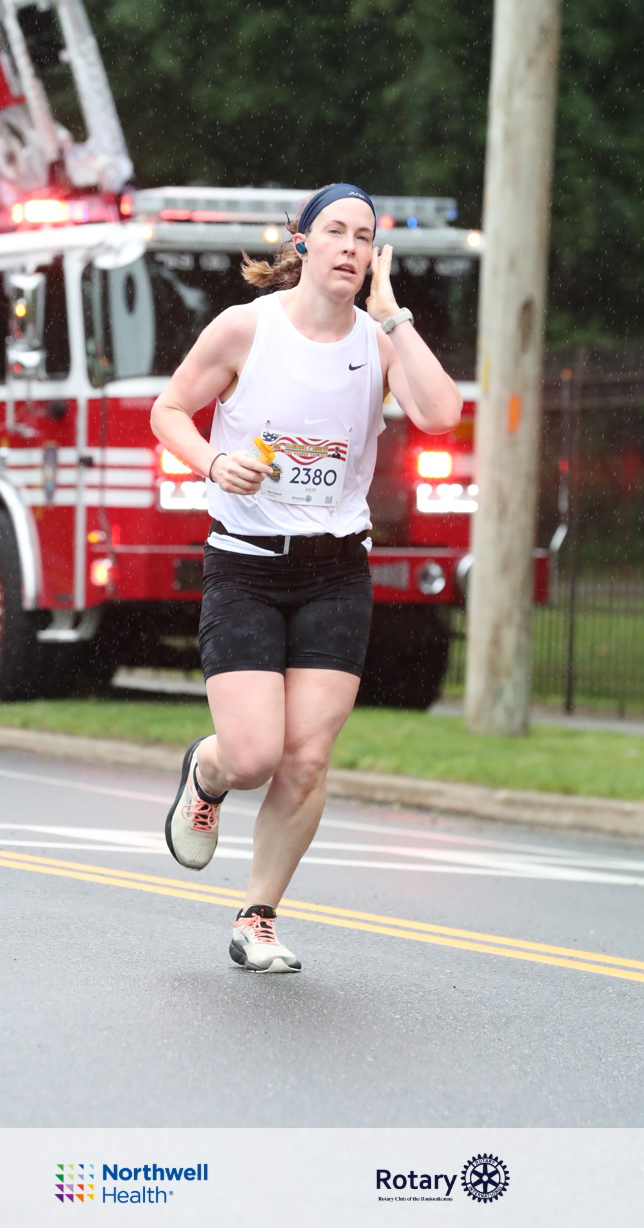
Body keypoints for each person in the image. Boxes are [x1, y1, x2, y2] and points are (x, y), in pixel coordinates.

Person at [150, 183, 461, 973]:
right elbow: (169, 411)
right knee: (255, 754)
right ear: (303, 243)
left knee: (308, 757)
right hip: (247, 568)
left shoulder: (378, 342)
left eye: (364, 236)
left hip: (335, 573)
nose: (349, 247)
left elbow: (441, 414)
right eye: (335, 231)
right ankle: (208, 772)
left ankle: (257, 916)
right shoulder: (245, 328)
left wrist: (395, 317)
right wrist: (213, 462)